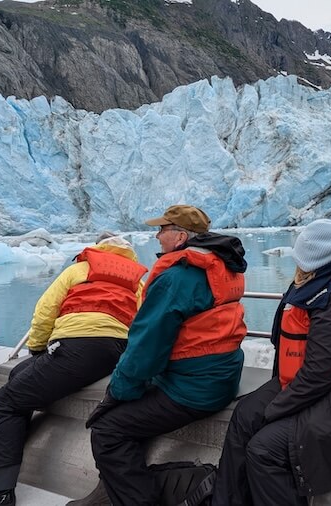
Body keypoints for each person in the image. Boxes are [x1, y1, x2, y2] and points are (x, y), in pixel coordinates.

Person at [211, 218, 331, 506]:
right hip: (325, 383)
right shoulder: (323, 279)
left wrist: (275, 410)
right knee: (244, 416)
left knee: (264, 449)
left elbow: (319, 374)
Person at [69, 205, 247, 506]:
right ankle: (112, 494)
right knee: (127, 417)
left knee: (107, 430)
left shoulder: (176, 278)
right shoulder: (221, 266)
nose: (157, 236)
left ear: (180, 237)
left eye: (162, 230)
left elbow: (147, 346)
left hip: (193, 387)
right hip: (218, 375)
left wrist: (118, 391)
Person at [0, 233, 148, 506]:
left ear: (97, 249)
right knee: (18, 374)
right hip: (114, 351)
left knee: (4, 402)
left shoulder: (79, 270)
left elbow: (46, 311)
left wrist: (37, 348)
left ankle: (0, 495)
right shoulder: (136, 283)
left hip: (78, 348)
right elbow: (144, 322)